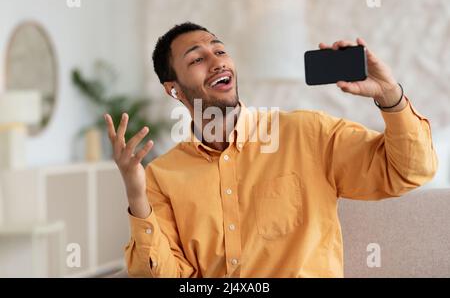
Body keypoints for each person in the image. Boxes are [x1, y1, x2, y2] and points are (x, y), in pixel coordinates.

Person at [104, 22, 437, 277]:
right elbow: (165, 273)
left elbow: (409, 171)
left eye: (219, 51)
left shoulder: (307, 133)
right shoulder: (162, 176)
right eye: (197, 59)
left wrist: (390, 96)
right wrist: (136, 194)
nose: (217, 62)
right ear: (173, 89)